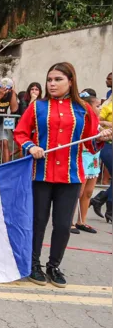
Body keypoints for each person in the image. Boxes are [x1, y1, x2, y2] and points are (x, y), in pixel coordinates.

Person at [13, 62, 111, 288]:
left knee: (63, 223)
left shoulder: (84, 109)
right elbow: (20, 132)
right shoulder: (37, 106)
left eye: (58, 79)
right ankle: (33, 264)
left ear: (70, 81)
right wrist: (30, 146)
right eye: (50, 80)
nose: (52, 84)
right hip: (41, 174)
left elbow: (91, 142)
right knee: (38, 221)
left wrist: (100, 138)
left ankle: (54, 266)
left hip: (71, 176)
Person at [72, 90, 102, 234]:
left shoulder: (98, 124)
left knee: (88, 192)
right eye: (97, 106)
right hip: (82, 158)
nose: (100, 109)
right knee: (78, 191)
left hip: (94, 159)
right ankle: (69, 221)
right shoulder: (83, 123)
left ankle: (82, 221)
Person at [91, 94, 112, 222]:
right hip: (107, 144)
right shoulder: (108, 105)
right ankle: (108, 209)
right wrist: (107, 123)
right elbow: (96, 120)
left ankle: (99, 199)